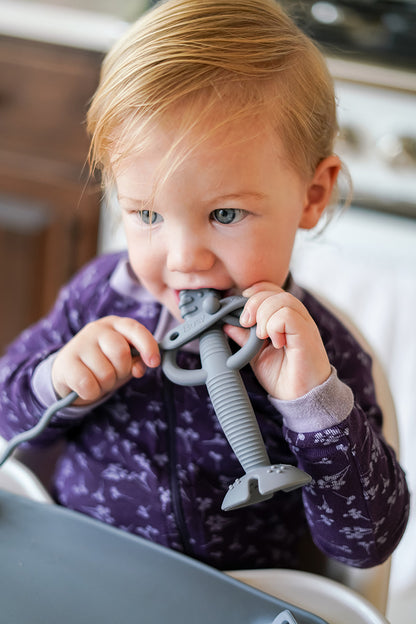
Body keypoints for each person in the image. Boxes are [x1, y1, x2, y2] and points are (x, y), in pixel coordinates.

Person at [0, 0, 409, 572]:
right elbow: (8, 418)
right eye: (146, 215)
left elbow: (366, 546)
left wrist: (312, 405)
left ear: (313, 197)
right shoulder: (100, 295)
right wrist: (60, 378)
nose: (183, 259)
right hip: (81, 572)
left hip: (237, 596)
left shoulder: (323, 356)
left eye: (224, 215)